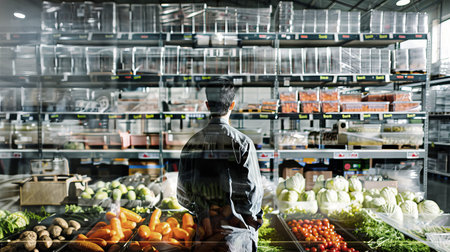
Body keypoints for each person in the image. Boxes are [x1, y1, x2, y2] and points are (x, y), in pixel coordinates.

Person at [177, 77, 263, 252]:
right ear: (232, 105)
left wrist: (202, 213)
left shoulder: (191, 143)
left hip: (203, 236)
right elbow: (254, 193)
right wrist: (252, 220)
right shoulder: (243, 143)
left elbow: (182, 195)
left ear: (207, 105)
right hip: (237, 239)